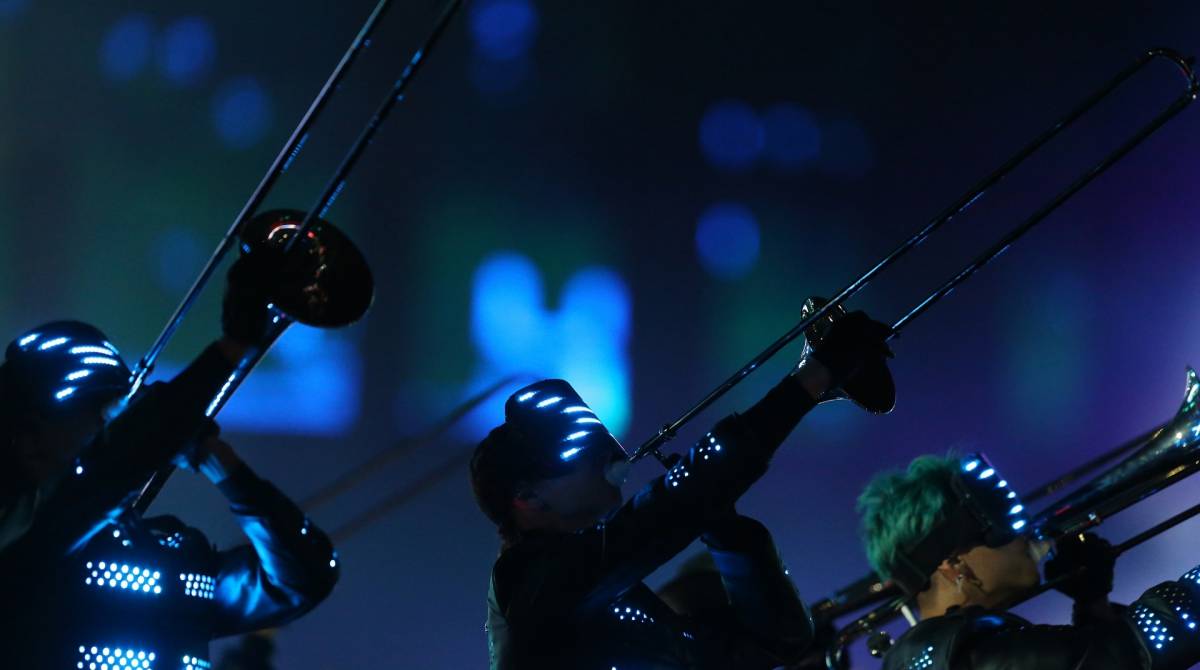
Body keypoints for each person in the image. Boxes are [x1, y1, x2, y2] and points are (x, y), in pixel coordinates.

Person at [470, 310, 896, 669]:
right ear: (528, 498)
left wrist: (725, 529)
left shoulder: (619, 603)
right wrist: (809, 381)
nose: (607, 455)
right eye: (578, 454)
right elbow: (667, 508)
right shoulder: (527, 582)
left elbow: (775, 645)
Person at [0, 255, 339, 666]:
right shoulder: (18, 535)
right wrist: (230, 350)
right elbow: (107, 473)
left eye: (118, 412)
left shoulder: (171, 554)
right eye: (94, 416)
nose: (111, 426)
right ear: (27, 439)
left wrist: (226, 469)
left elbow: (303, 579)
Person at [858, 452, 1200, 670]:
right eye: (1002, 527)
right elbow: (1137, 651)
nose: (1026, 535)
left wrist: (1093, 604)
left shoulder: (939, 654)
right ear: (952, 564)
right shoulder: (973, 656)